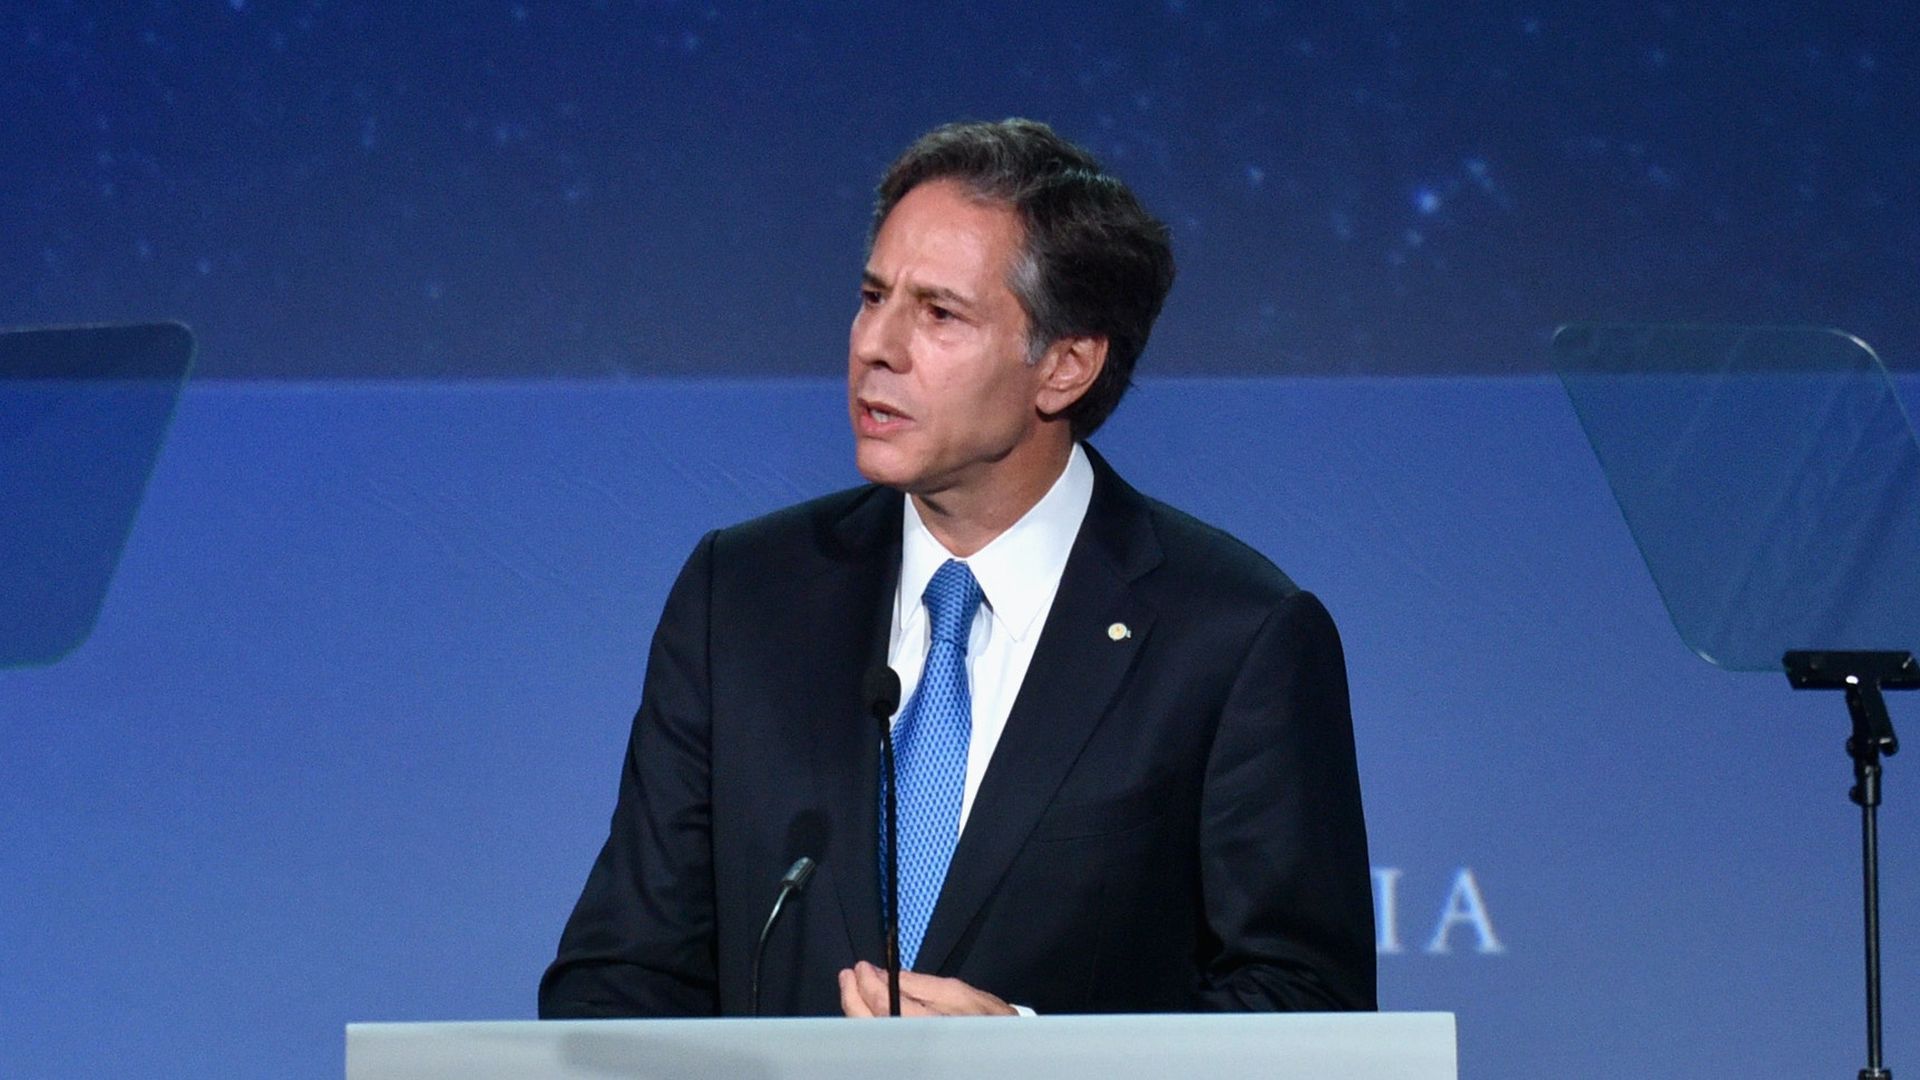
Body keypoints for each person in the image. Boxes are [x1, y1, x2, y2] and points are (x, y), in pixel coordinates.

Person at [539, 119, 1374, 1018]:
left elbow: (1305, 1003)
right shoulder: (740, 595)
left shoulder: (1233, 637)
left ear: (1064, 367)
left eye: (938, 313)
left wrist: (1036, 1065)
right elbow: (619, 975)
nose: (875, 346)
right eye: (872, 296)